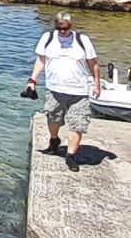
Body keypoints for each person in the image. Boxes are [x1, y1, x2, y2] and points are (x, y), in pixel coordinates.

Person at [25, 12, 101, 172]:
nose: (62, 31)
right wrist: (32, 81)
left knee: (77, 124)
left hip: (79, 91)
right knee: (53, 119)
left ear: (71, 26)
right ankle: (54, 140)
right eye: (58, 28)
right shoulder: (47, 38)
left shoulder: (82, 40)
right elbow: (40, 61)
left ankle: (71, 155)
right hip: (55, 89)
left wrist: (97, 84)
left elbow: (93, 63)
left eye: (65, 28)